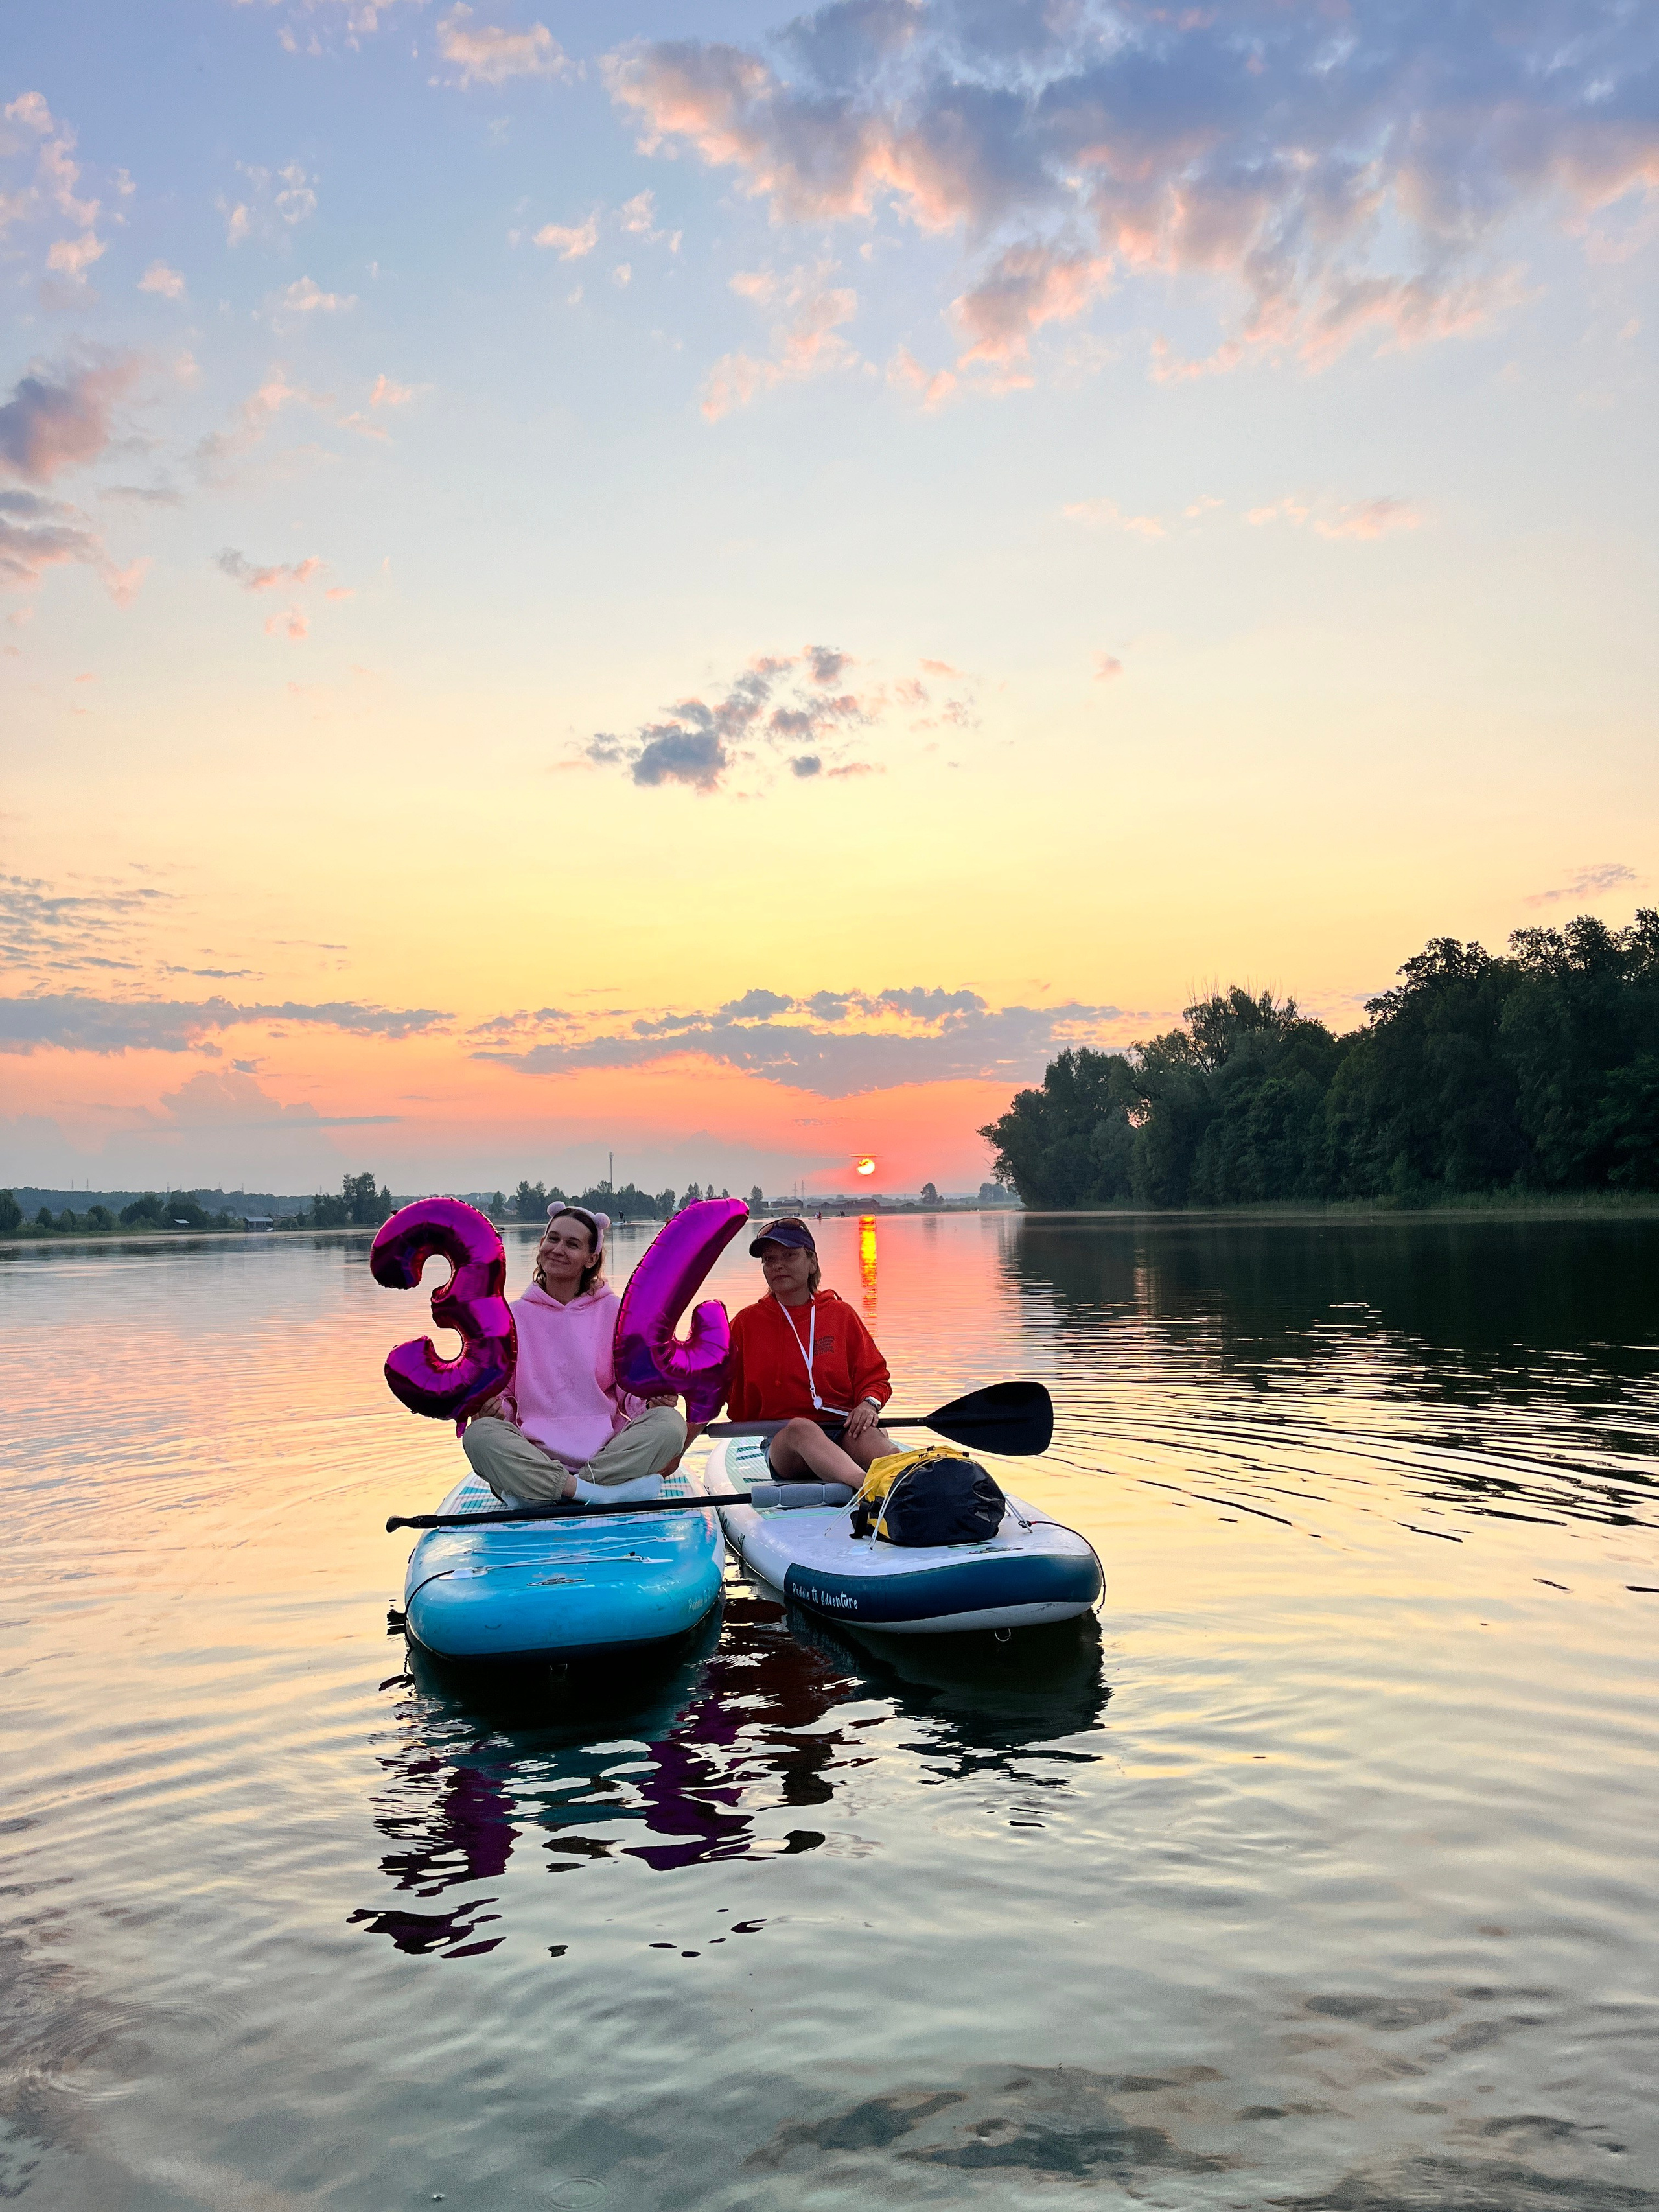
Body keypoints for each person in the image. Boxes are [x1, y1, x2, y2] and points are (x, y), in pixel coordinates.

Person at [462, 1204, 686, 1505]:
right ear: (541, 1244)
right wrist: (492, 1410)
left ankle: (550, 1492)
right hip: (535, 1454)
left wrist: (651, 1401)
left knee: (670, 1424)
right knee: (479, 1435)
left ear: (591, 1258)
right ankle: (596, 1494)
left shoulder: (615, 1311)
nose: (558, 1250)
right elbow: (504, 1395)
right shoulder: (511, 1317)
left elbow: (630, 1390)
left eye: (572, 1244)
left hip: (607, 1455)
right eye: (553, 1239)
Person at [723, 1217, 894, 1487]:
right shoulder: (745, 1323)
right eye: (769, 1259)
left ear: (812, 1262)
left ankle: (911, 1476)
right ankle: (868, 1487)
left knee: (870, 1435)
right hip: (785, 1443)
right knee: (801, 1428)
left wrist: (868, 1404)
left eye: (789, 1255)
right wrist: (665, 1397)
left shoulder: (841, 1315)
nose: (778, 1265)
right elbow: (710, 1385)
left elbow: (875, 1377)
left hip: (843, 1430)